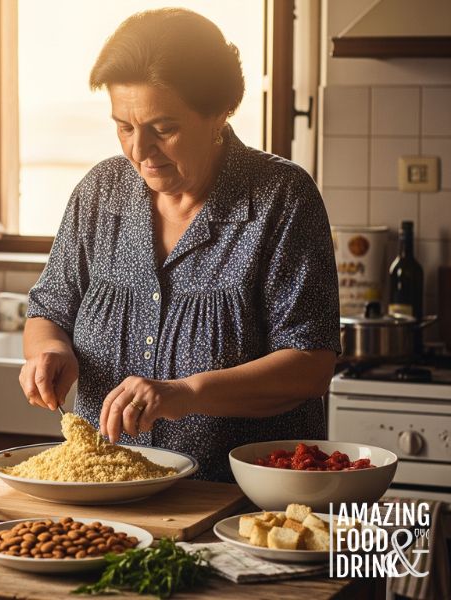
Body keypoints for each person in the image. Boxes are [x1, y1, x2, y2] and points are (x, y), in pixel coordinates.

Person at [19, 8, 340, 482]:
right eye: (124, 126)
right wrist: (50, 351)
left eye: (163, 128)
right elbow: (49, 309)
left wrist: (187, 393)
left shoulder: (281, 198)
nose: (139, 151)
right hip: (107, 491)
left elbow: (309, 365)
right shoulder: (100, 193)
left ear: (219, 113)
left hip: (240, 497)